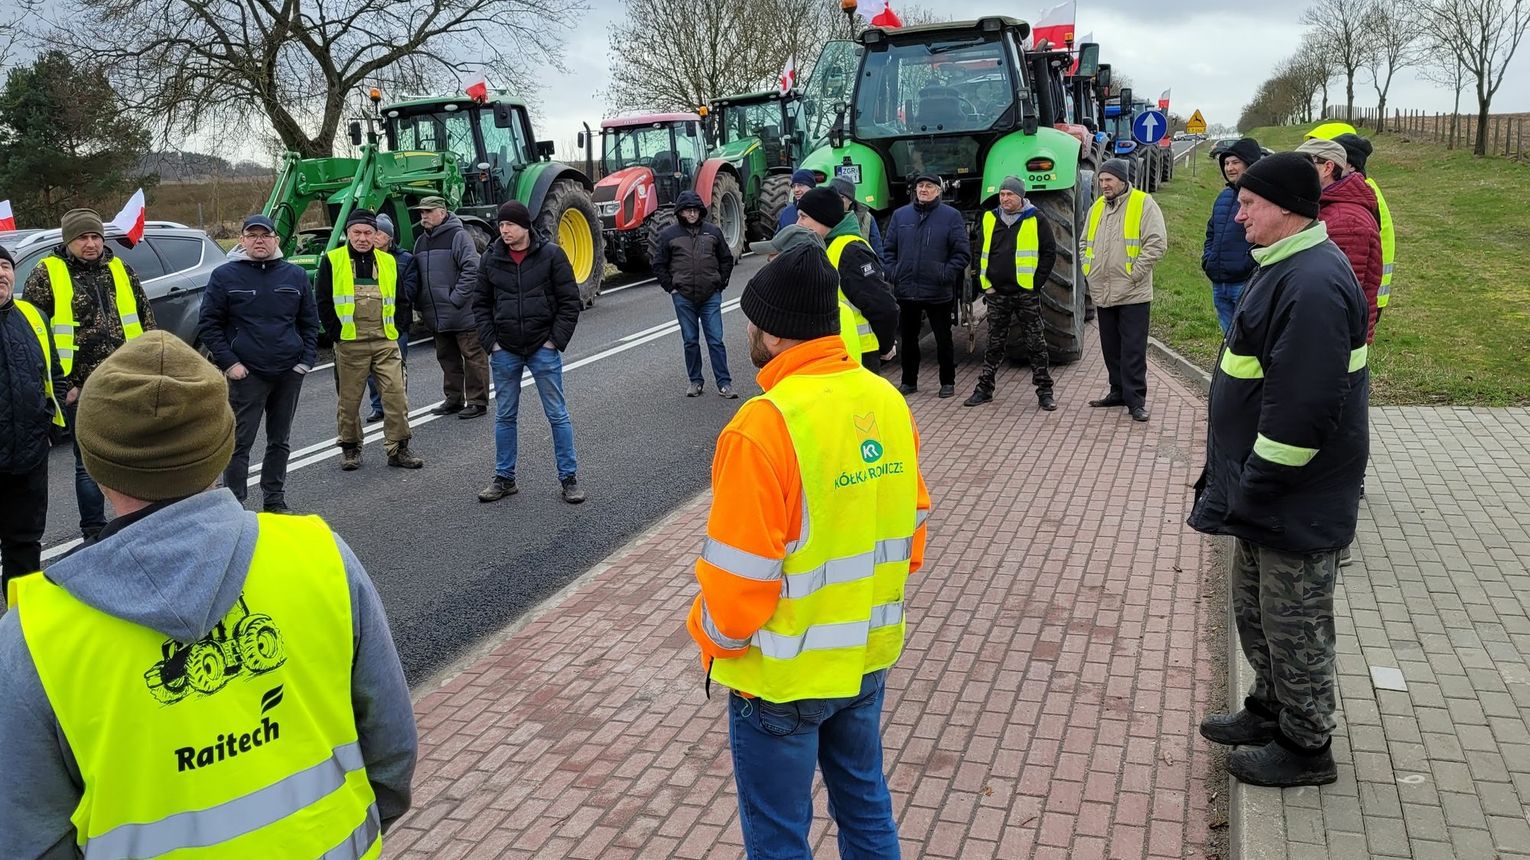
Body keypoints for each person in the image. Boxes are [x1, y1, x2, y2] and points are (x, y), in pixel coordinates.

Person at [0, 331, 418, 856]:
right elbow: (391, 744)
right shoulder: (319, 555)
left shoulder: (34, 634)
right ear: (222, 447)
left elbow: (28, 834)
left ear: (97, 464)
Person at [686, 244, 932, 859]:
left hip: (781, 679)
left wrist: (713, 643)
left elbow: (738, 587)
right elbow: (912, 530)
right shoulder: (885, 401)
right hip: (865, 657)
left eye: (749, 322)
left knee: (778, 838)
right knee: (866, 806)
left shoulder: (763, 425)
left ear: (771, 334)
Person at [1189, 153, 1368, 788]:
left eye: (1249, 205)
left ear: (1288, 209)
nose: (1237, 215)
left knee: (1295, 623)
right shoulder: (1285, 265)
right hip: (1264, 489)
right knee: (1256, 611)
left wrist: (1260, 481)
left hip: (1293, 494)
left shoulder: (1313, 282)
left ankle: (1306, 747)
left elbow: (1305, 408)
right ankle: (1270, 709)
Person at [21, 208, 156, 540]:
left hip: (128, 381)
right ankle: (93, 531)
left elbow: (146, 318)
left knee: (135, 455)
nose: (91, 243)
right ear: (69, 241)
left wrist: (152, 366)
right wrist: (62, 385)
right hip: (80, 388)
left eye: (96, 236)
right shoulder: (46, 274)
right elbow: (35, 332)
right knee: (89, 466)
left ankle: (141, 520)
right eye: (83, 237)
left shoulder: (120, 269)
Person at [198, 214, 320, 514]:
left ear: (276, 240)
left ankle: (274, 500)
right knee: (239, 443)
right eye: (252, 236)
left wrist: (304, 362)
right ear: (242, 240)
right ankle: (235, 505)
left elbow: (310, 323)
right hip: (247, 374)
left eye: (265, 235)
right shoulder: (225, 277)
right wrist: (230, 364)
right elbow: (209, 325)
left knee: (280, 441)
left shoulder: (294, 276)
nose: (259, 241)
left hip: (288, 372)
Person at [473, 201, 585, 504]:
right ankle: (504, 478)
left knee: (557, 414)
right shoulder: (491, 258)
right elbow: (480, 304)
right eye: (501, 225)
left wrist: (554, 341)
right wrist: (492, 344)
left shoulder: (550, 255)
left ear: (524, 226)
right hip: (505, 349)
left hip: (542, 347)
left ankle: (569, 479)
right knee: (505, 416)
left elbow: (569, 301)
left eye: (510, 224)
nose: (504, 230)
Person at [316, 208, 422, 471]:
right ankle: (350, 449)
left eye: (368, 233)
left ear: (377, 235)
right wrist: (336, 334)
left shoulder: (388, 262)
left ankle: (399, 449)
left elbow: (401, 300)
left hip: (385, 341)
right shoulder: (332, 260)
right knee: (349, 403)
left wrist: (398, 329)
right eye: (357, 232)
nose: (362, 238)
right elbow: (323, 301)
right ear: (347, 233)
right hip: (350, 344)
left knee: (396, 397)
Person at [0, 243, 67, 591]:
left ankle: (20, 621)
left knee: (24, 545)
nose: (1, 273)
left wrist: (50, 427)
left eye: (5, 266)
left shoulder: (32, 316)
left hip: (29, 455)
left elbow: (54, 373)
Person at [1082, 159, 1167, 423]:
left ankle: (1136, 400)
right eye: (1101, 179)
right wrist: (1089, 268)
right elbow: (1085, 241)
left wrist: (1134, 273)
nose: (1104, 184)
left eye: (1109, 179)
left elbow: (1157, 243)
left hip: (1133, 292)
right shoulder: (1097, 207)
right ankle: (1117, 391)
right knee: (1111, 347)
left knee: (1132, 349)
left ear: (1122, 180)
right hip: (1103, 289)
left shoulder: (1143, 203)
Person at [964, 176, 1058, 410]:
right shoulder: (989, 218)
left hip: (1026, 294)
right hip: (997, 294)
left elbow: (1049, 253)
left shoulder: (1036, 218)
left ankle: (1045, 392)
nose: (1005, 199)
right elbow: (979, 254)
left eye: (1010, 195)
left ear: (1021, 197)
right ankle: (984, 389)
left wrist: (1035, 284)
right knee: (994, 344)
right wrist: (985, 285)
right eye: (1002, 194)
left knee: (1036, 343)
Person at [790, 186, 898, 371]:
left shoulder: (851, 251)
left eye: (803, 216)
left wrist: (886, 346)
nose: (798, 223)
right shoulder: (820, 246)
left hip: (857, 357)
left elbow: (883, 307)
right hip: (830, 355)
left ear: (823, 218)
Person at [883, 172, 970, 397]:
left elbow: (961, 253)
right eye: (920, 185)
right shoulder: (900, 216)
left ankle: (947, 382)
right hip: (907, 289)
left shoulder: (951, 216)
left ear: (939, 191)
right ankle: (909, 381)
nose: (923, 189)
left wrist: (945, 274)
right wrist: (893, 273)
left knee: (943, 339)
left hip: (937, 291)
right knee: (909, 340)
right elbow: (889, 250)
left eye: (929, 186)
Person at [651, 189, 738, 398]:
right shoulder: (668, 235)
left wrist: (721, 282)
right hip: (683, 296)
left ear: (700, 211)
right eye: (687, 211)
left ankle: (724, 383)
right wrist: (671, 287)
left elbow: (726, 258)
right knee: (690, 340)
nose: (692, 214)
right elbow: (659, 264)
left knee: (715, 339)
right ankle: (695, 381)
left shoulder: (713, 232)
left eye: (695, 210)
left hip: (710, 295)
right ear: (680, 212)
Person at [410, 196, 490, 419]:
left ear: (442, 212)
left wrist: (455, 299)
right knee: (447, 358)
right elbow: (417, 275)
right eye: (422, 212)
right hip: (436, 314)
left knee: (473, 356)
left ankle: (477, 401)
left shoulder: (459, 236)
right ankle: (454, 398)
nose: (423, 216)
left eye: (428, 211)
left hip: (461, 312)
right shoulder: (421, 241)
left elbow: (471, 270)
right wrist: (421, 304)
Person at [1297, 138, 1382, 344]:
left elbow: (1338, 294)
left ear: (1327, 167)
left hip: (1334, 337)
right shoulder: (1329, 206)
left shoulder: (1346, 219)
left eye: (1305, 164)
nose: (1296, 172)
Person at [1203, 138, 1264, 335]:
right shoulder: (1223, 196)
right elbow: (1211, 232)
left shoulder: (1261, 197)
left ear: (1249, 163)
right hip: (1219, 283)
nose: (1229, 168)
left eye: (1235, 162)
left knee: (1249, 339)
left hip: (1244, 283)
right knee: (1229, 341)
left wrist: (1250, 266)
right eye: (1226, 163)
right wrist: (1208, 261)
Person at [1333, 133, 1395, 325]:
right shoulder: (1361, 189)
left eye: (1335, 159)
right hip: (1369, 288)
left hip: (1368, 290)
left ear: (1350, 165)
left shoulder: (1361, 195)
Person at [364, 214, 418, 424]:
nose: (374, 237)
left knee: (396, 368)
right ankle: (378, 406)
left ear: (389, 237)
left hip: (396, 324)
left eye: (379, 233)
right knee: (372, 369)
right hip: (371, 324)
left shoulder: (405, 260)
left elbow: (410, 290)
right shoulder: (363, 260)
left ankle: (398, 405)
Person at [828, 175, 885, 260]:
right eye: (833, 195)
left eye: (842, 197)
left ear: (851, 200)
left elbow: (878, 254)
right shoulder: (820, 217)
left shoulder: (867, 219)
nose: (836, 199)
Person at [774, 168, 819, 233]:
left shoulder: (822, 211)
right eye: (793, 186)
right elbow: (778, 238)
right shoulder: (787, 212)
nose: (796, 190)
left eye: (800, 185)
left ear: (812, 187)